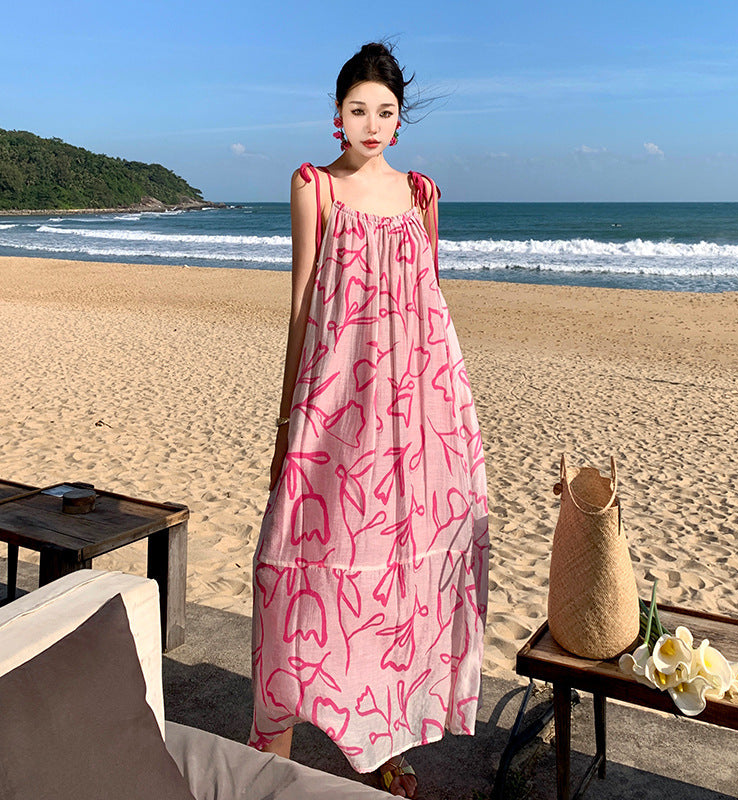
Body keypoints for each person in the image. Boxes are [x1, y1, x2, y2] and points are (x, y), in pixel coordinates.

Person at [249, 41, 488, 798]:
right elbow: (299, 304)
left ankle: (383, 743)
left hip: (418, 405)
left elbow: (431, 301)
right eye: (360, 110)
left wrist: (443, 414)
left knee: (398, 570)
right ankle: (274, 736)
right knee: (292, 553)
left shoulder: (423, 193)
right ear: (337, 117)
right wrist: (288, 416)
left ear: (399, 119)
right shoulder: (313, 186)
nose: (373, 123)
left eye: (386, 111)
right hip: (335, 400)